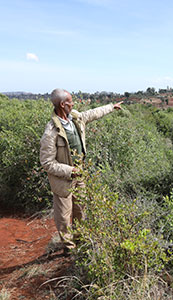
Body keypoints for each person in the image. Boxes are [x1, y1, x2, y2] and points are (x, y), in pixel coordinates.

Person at [40, 88, 122, 254]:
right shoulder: (51, 132)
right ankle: (69, 248)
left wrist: (111, 107)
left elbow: (93, 113)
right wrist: (70, 170)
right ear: (63, 104)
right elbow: (47, 163)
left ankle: (80, 239)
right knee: (63, 217)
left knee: (81, 209)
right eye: (70, 101)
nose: (73, 103)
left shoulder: (75, 118)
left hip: (80, 176)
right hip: (64, 181)